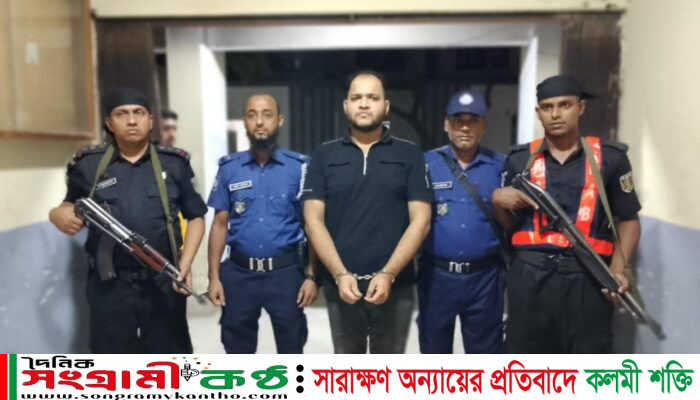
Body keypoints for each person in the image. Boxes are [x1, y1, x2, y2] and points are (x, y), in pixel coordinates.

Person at [48, 88, 207, 353]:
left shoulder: (174, 163)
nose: (132, 120)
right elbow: (68, 203)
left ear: (150, 121)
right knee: (112, 358)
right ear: (109, 123)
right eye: (121, 114)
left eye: (139, 113)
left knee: (170, 355)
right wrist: (56, 214)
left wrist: (185, 263)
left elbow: (196, 217)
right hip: (109, 284)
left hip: (162, 279)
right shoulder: (89, 164)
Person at [492, 75, 642, 353]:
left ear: (581, 108)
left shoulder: (612, 158)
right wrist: (497, 202)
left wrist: (617, 270)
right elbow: (508, 225)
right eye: (547, 107)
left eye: (565, 105)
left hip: (588, 277)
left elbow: (629, 220)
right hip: (529, 277)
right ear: (538, 112)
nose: (555, 114)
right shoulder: (518, 159)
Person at [303, 71, 432, 354]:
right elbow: (313, 221)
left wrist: (388, 274)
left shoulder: (409, 154)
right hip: (341, 287)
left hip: (396, 287)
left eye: (372, 98)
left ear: (385, 106)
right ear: (346, 105)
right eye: (356, 98)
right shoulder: (324, 155)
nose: (364, 104)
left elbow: (421, 221)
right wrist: (339, 274)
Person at [207, 93, 318, 354]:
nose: (259, 121)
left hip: (286, 274)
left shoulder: (300, 167)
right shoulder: (229, 168)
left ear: (279, 120)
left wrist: (312, 276)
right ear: (245, 122)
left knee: (292, 349)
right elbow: (219, 225)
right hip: (239, 274)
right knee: (237, 350)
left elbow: (312, 226)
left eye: (267, 115)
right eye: (252, 115)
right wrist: (214, 277)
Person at [418, 89, 506, 354]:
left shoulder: (501, 166)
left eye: (473, 120)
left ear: (484, 126)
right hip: (437, 277)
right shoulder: (425, 164)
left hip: (485, 279)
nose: (465, 127)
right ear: (446, 125)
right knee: (434, 354)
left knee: (486, 355)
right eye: (458, 120)